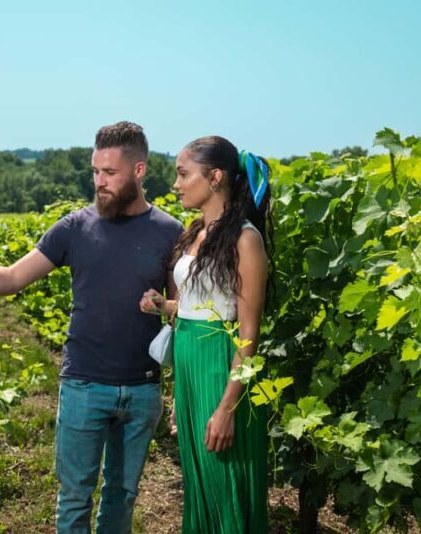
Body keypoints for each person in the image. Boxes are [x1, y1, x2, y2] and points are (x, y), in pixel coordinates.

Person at [0, 121, 183, 533]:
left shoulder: (170, 232)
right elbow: (10, 279)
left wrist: (166, 313)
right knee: (74, 497)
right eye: (95, 171)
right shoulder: (74, 227)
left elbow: (180, 312)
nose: (99, 182)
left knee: (123, 497)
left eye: (110, 173)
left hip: (143, 388)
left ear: (139, 171)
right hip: (83, 384)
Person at [139, 136, 271, 533]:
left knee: (224, 480)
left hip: (221, 368)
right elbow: (200, 308)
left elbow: (248, 333)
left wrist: (227, 407)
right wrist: (164, 306)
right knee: (199, 481)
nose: (176, 183)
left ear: (214, 177)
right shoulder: (196, 231)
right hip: (192, 367)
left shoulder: (245, 239)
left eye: (183, 174)